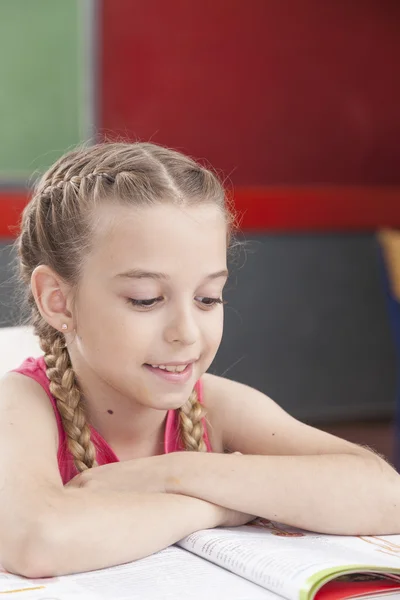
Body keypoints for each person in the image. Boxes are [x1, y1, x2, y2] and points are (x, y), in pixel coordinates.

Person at [0, 142, 398, 578]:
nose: (186, 332)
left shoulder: (218, 407)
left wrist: (173, 474)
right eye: (146, 299)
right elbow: (36, 542)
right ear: (58, 301)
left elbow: (386, 496)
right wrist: (213, 508)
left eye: (208, 298)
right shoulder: (22, 405)